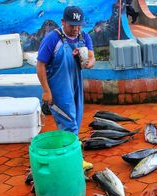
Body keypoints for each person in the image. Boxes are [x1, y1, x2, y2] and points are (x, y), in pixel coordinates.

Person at [37, 6, 95, 171]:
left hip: (76, 85)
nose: (76, 29)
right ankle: (75, 162)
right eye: (71, 25)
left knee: (75, 121)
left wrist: (85, 60)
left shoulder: (84, 37)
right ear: (63, 22)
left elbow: (92, 59)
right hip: (59, 88)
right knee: (69, 125)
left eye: (79, 25)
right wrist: (46, 91)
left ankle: (67, 155)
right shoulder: (52, 38)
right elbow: (40, 65)